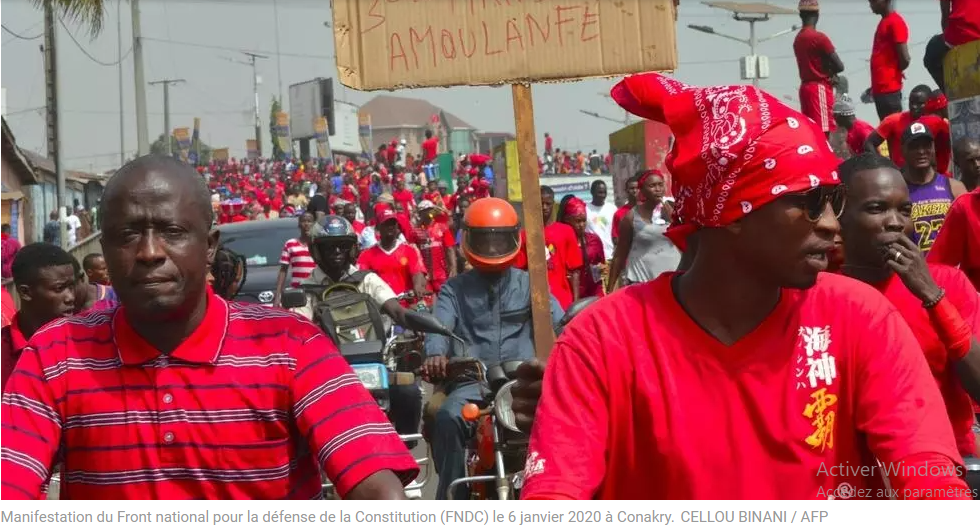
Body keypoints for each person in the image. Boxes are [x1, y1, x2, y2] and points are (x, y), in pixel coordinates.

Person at [519, 73, 970, 500]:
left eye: (833, 202)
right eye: (810, 202)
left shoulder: (859, 318)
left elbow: (929, 476)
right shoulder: (601, 340)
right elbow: (555, 495)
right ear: (732, 213)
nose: (833, 226)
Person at [0, 155, 419, 500]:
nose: (148, 252)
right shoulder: (56, 354)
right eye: (128, 235)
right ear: (104, 250)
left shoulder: (292, 346)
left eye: (172, 232)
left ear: (210, 246)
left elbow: (379, 492)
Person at [838, 153, 980, 458]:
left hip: (947, 461)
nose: (895, 223)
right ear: (839, 215)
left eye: (904, 211)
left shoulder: (948, 284)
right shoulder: (820, 291)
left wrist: (932, 296)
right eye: (877, 209)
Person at [423, 197, 564, 500]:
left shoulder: (532, 284)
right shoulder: (454, 289)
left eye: (499, 239)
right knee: (447, 416)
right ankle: (451, 503)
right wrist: (435, 353)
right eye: (485, 240)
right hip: (473, 383)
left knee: (565, 417)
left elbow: (560, 320)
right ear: (468, 240)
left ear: (514, 237)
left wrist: (572, 338)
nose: (492, 248)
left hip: (523, 382)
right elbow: (440, 326)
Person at [290, 215, 422, 446]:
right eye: (329, 246)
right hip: (327, 373)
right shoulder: (306, 290)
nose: (337, 251)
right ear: (316, 250)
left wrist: (421, 323)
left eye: (343, 245)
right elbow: (299, 331)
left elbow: (396, 310)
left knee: (409, 392)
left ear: (353, 249)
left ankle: (405, 447)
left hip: (375, 365)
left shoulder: (367, 280)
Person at [1, 243, 75, 390]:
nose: (70, 297)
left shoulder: (86, 343)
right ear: (25, 293)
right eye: (59, 288)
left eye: (71, 286)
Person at [607, 170, 681, 290]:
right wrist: (610, 289)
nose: (658, 189)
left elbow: (686, 241)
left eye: (660, 184)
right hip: (642, 282)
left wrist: (674, 220)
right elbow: (620, 255)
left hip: (672, 282)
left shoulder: (672, 209)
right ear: (642, 190)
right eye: (652, 186)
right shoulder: (631, 217)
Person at [900, 122, 966, 254]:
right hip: (915, 270)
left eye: (926, 145)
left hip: (949, 270)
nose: (921, 151)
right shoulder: (897, 190)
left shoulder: (955, 188)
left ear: (934, 147)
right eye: (914, 146)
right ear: (904, 150)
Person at [514, 186, 582, 310]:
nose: (544, 207)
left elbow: (575, 271)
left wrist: (575, 303)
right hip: (535, 300)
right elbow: (519, 271)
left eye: (548, 203)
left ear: (553, 204)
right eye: (541, 203)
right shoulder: (525, 235)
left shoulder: (566, 231)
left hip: (562, 299)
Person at [929, 138, 980, 290]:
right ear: (957, 163)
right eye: (971, 160)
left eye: (979, 158)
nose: (977, 164)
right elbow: (938, 264)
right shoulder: (964, 205)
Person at [865, 85, 952, 173]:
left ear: (929, 103)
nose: (914, 106)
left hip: (930, 176)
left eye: (920, 103)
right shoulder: (893, 120)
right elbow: (869, 143)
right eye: (911, 102)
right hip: (901, 177)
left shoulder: (938, 124)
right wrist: (885, 167)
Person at [793, 1, 844, 137]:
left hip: (805, 89)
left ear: (801, 15)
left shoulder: (798, 39)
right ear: (817, 14)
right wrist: (831, 73)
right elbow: (840, 66)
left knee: (812, 132)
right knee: (823, 132)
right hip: (819, 88)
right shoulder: (819, 38)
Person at [357, 205, 427, 301]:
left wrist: (418, 286)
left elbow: (417, 272)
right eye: (386, 224)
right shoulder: (366, 255)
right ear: (378, 228)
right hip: (381, 307)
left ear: (397, 227)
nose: (390, 227)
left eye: (393, 224)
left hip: (407, 304)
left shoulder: (409, 250)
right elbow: (361, 279)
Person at [924, 0, 980, 92]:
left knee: (932, 52)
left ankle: (951, 94)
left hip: (961, 32)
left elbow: (945, 17)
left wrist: (948, 37)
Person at [867, 0, 910, 120]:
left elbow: (905, 58)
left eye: (874, 1)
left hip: (889, 89)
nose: (871, 5)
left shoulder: (895, 22)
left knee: (893, 129)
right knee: (885, 129)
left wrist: (893, 72)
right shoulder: (884, 22)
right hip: (880, 89)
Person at [563, 197, 605, 298]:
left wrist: (602, 268)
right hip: (573, 295)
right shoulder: (562, 242)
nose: (582, 225)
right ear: (567, 220)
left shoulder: (594, 240)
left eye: (584, 220)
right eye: (578, 221)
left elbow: (601, 263)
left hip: (595, 292)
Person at [273, 212, 316, 307]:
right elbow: (283, 270)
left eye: (309, 221)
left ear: (314, 224)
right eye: (304, 221)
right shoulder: (290, 244)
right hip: (297, 292)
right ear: (299, 224)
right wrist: (277, 296)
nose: (306, 224)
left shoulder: (318, 244)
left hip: (316, 292)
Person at [412, 200, 456, 294]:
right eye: (423, 211)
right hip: (425, 276)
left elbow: (450, 249)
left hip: (442, 274)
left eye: (429, 210)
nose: (427, 213)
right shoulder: (416, 231)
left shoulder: (442, 227)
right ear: (420, 213)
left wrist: (453, 268)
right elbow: (414, 253)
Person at [585, 180, 617, 261]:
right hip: (593, 258)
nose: (602, 195)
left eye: (604, 192)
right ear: (592, 192)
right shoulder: (585, 209)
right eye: (599, 192)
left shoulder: (612, 208)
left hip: (610, 256)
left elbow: (617, 232)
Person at [611, 174, 640, 246]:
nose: (635, 190)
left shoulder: (649, 209)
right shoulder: (619, 213)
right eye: (632, 188)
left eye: (637, 188)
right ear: (626, 190)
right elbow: (615, 238)